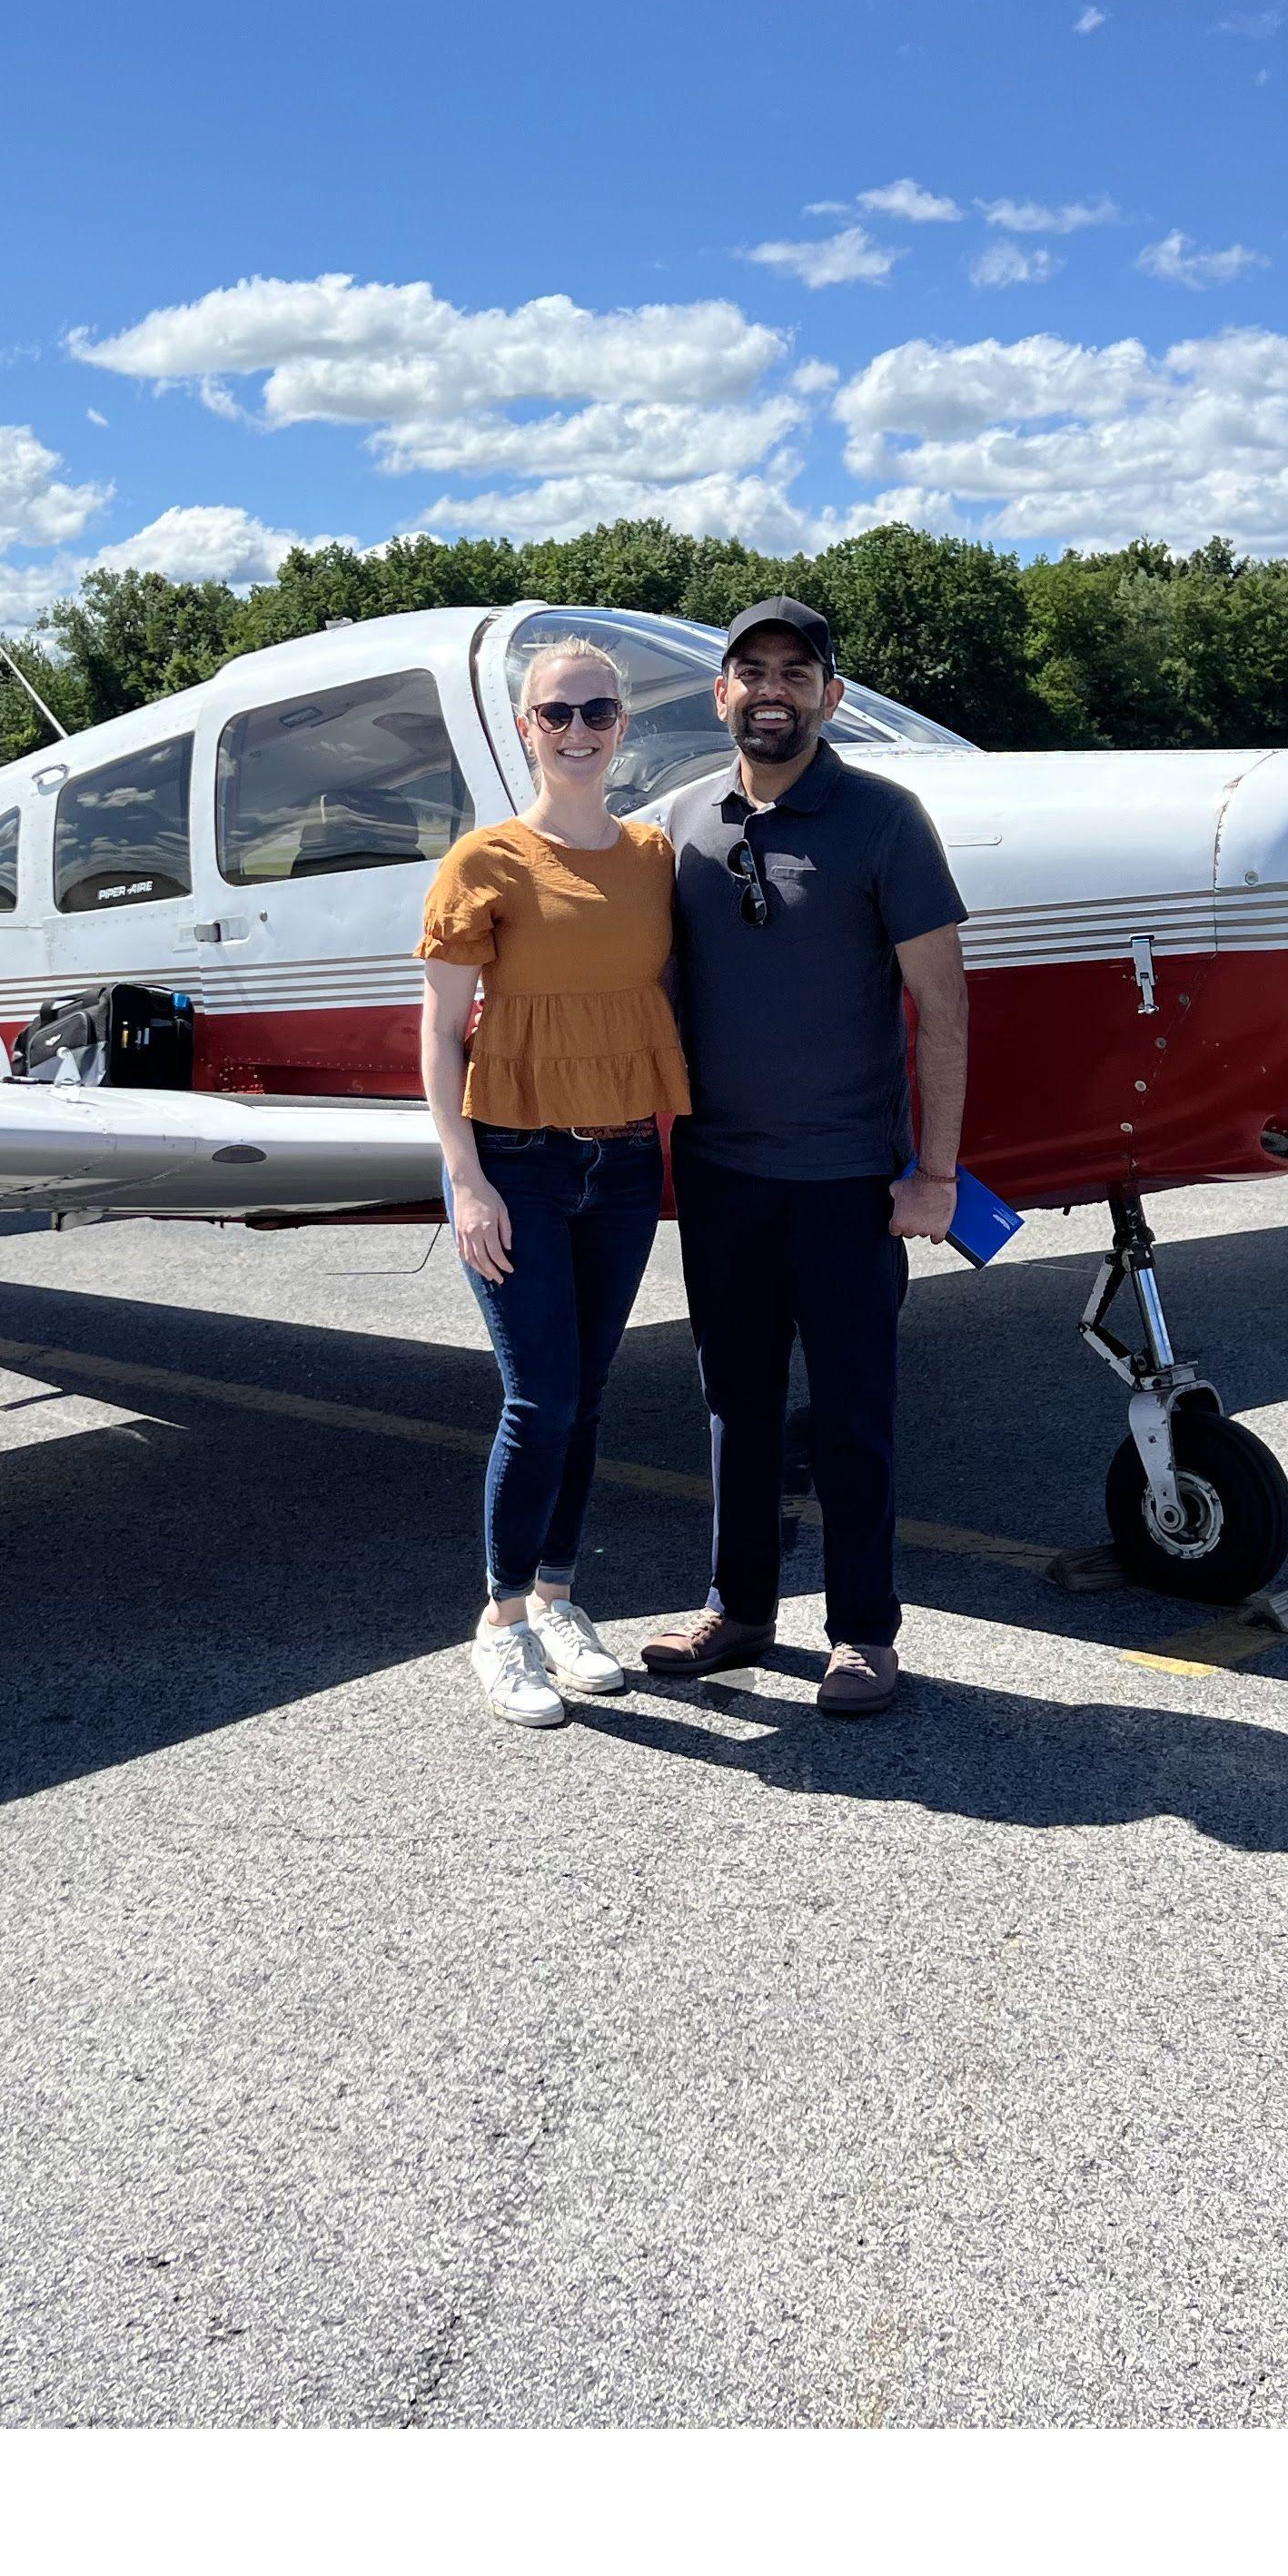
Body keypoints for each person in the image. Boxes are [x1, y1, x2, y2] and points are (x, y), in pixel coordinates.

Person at [638, 597, 967, 1718]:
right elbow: (643, 991)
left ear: (829, 694)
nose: (771, 689)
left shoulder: (884, 818)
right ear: (720, 692)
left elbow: (943, 1003)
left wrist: (936, 1173)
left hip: (848, 1183)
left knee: (852, 1410)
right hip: (723, 1175)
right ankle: (738, 1611)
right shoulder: (678, 824)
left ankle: (864, 1634)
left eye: (797, 670)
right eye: (751, 671)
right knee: (733, 1401)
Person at [415, 636, 691, 1730]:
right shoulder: (482, 861)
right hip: (515, 1163)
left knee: (589, 1393)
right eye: (556, 713)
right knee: (541, 1399)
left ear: (624, 726)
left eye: (599, 711)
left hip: (622, 1159)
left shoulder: (654, 856)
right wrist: (466, 1180)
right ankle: (501, 1623)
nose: (578, 730)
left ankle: (562, 1596)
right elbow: (440, 1037)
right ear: (525, 729)